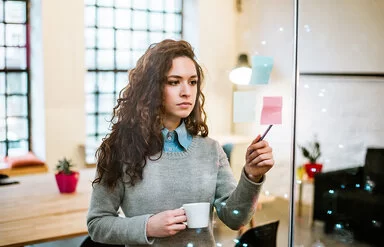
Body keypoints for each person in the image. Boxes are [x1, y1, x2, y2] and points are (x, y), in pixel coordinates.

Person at [87, 39, 274, 247]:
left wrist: (251, 175)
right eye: (174, 82)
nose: (187, 91)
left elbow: (235, 218)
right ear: (152, 88)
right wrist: (147, 227)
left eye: (192, 82)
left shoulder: (211, 150)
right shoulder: (120, 150)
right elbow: (97, 224)